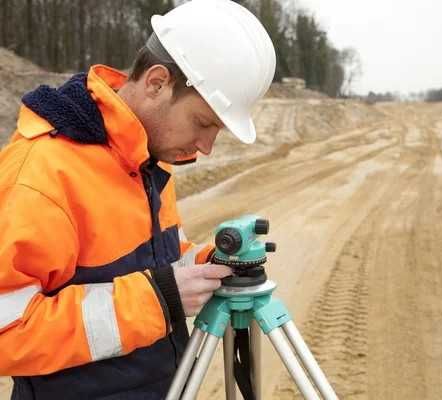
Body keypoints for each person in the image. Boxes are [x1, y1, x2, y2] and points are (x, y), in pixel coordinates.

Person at [0, 0, 276, 398]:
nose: (207, 147)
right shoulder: (41, 173)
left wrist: (206, 265)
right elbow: (8, 331)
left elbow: (155, 262)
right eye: (203, 123)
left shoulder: (149, 159)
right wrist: (157, 299)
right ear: (157, 83)